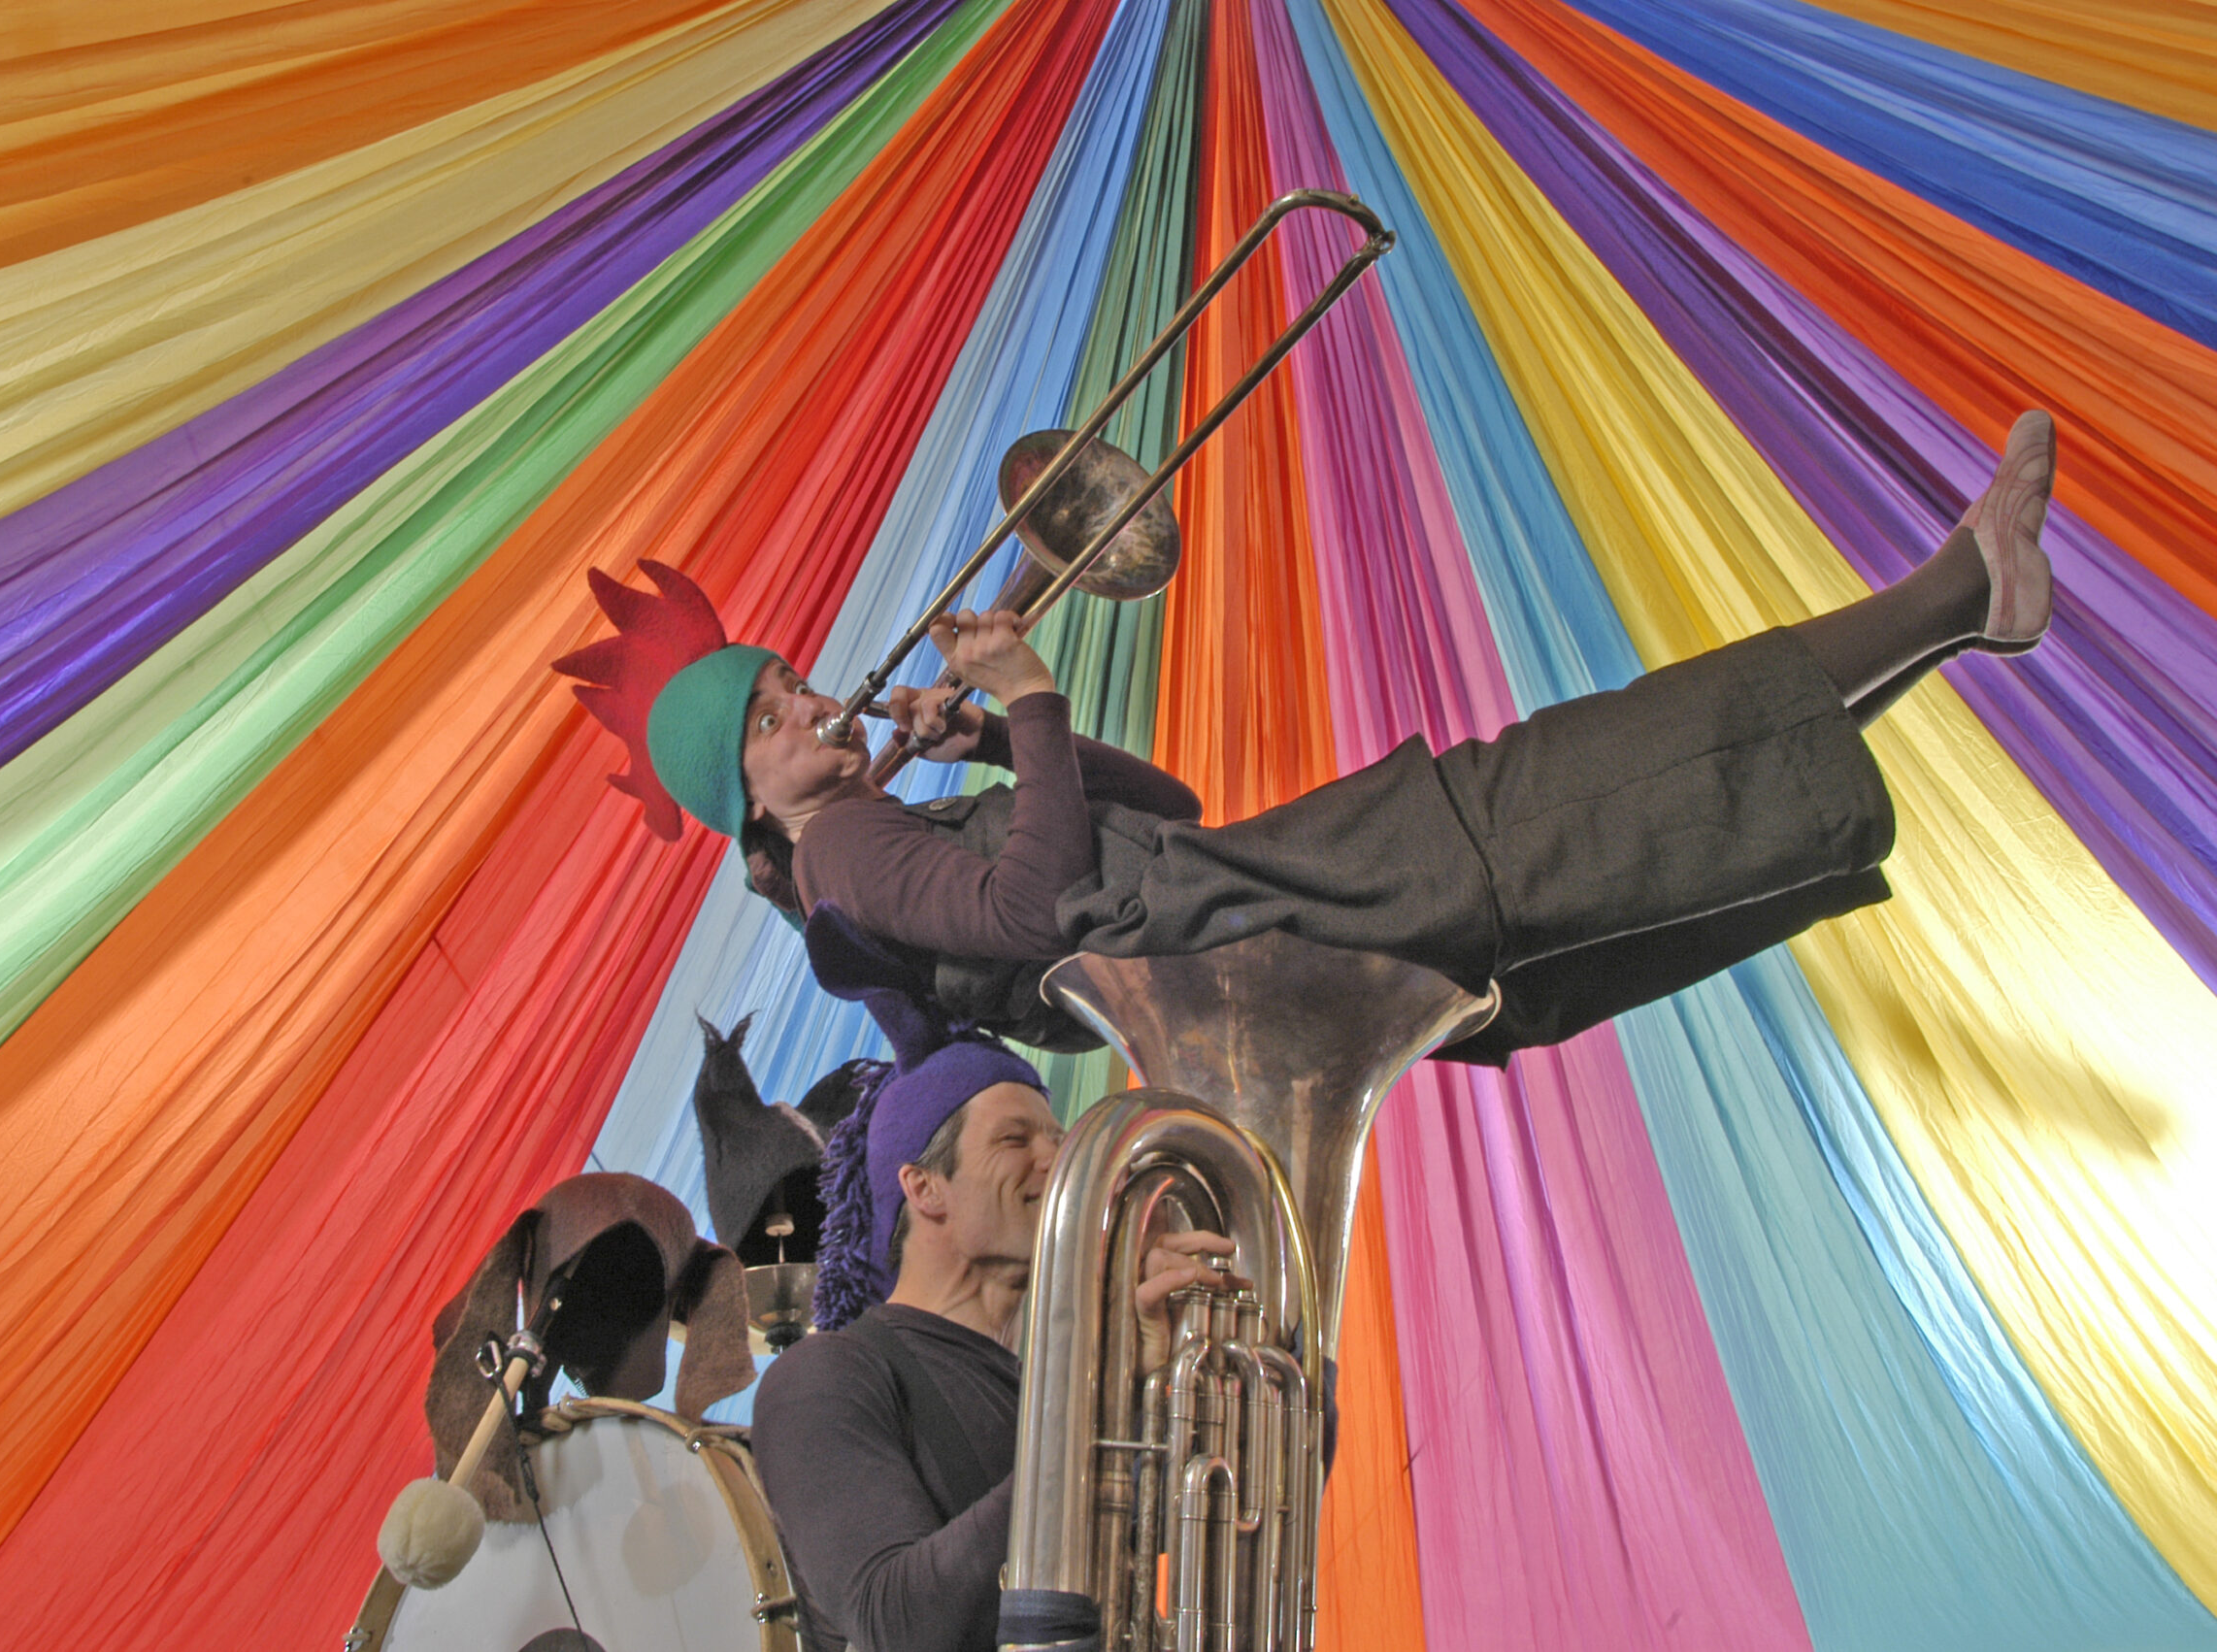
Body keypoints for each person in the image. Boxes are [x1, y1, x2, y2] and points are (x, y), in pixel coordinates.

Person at [557, 412, 2058, 1062]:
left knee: (1647, 800)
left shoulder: (868, 840)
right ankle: (1957, 589)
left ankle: (1959, 608)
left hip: (1268, 905)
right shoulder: (847, 850)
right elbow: (1037, 916)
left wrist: (1016, 750)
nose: (812, 701)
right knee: (1617, 768)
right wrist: (1019, 695)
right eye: (772, 716)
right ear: (747, 796)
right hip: (1296, 912)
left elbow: (1167, 806)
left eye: (787, 680)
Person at [746, 914, 1235, 1652]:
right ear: (924, 1188)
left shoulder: (1042, 1382)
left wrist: (1260, 1361)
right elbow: (893, 1623)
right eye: (1016, 1139)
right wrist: (1087, 1405)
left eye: (1060, 1139)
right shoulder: (825, 1374)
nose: (1062, 1161)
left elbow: (1233, 1526)